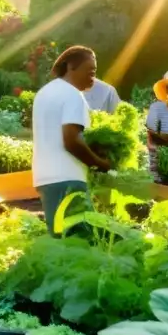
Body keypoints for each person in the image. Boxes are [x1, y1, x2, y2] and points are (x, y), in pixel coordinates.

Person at [32, 46, 111, 235]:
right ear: (71, 67)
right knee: (79, 243)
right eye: (90, 71)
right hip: (68, 177)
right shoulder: (73, 95)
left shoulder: (45, 92)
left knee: (60, 241)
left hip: (45, 177)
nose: (93, 77)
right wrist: (99, 163)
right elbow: (71, 140)